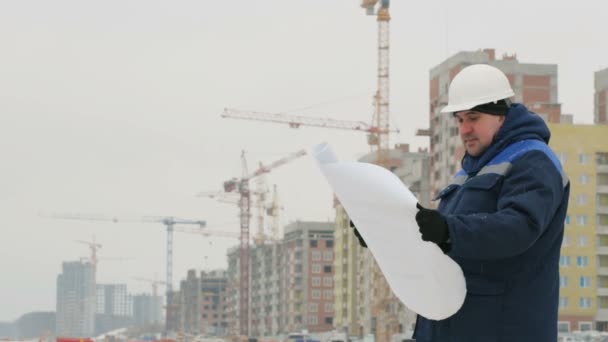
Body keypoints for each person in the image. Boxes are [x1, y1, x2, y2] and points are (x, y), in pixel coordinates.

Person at [351, 63, 570, 341]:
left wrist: (447, 230)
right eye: (459, 119)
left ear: (501, 115)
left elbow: (517, 228)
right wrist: (384, 234)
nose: (464, 129)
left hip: (502, 329)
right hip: (455, 327)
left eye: (474, 118)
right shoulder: (470, 171)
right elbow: (439, 245)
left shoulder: (533, 161)